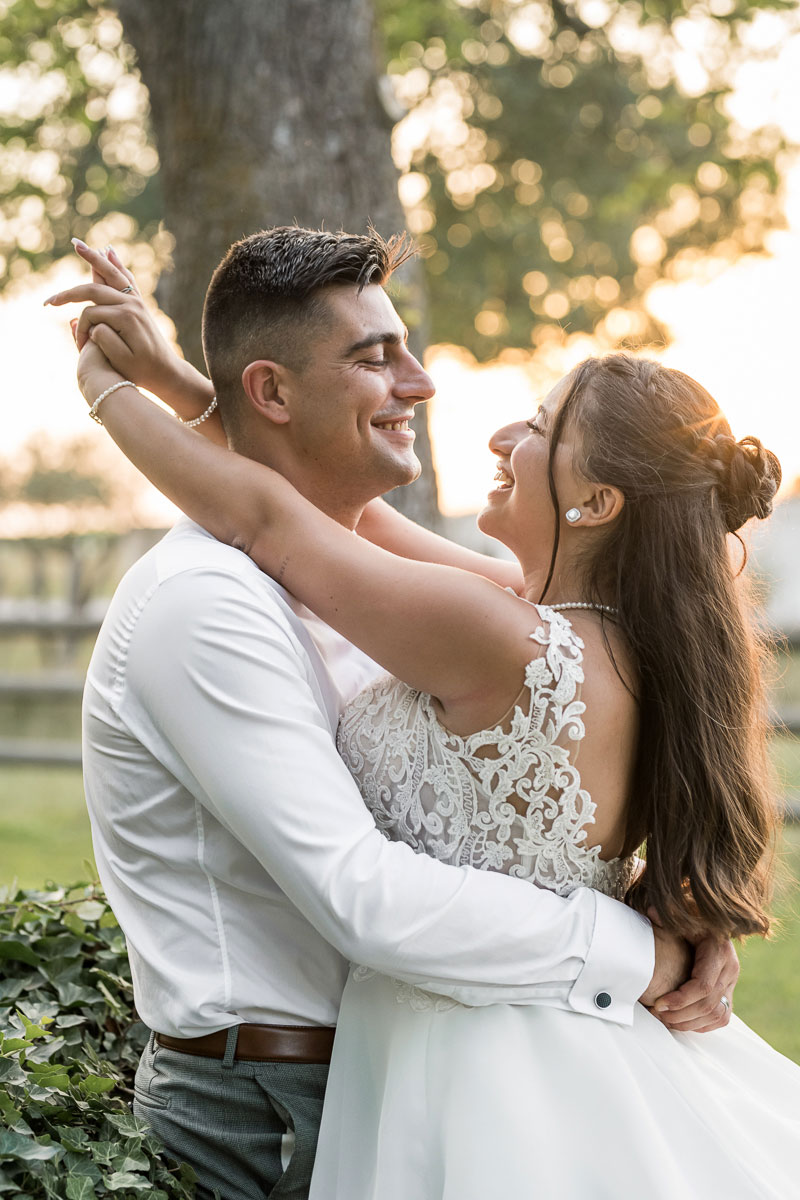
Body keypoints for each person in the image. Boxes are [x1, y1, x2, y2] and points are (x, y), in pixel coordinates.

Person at [60, 232, 800, 1198]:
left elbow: (282, 517)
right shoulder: (541, 619)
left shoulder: (492, 622)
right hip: (306, 1092)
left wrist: (110, 394)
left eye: (539, 427)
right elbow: (299, 514)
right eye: (375, 358)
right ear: (275, 391)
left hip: (464, 1064)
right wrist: (644, 945)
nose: (434, 391)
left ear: (597, 502)